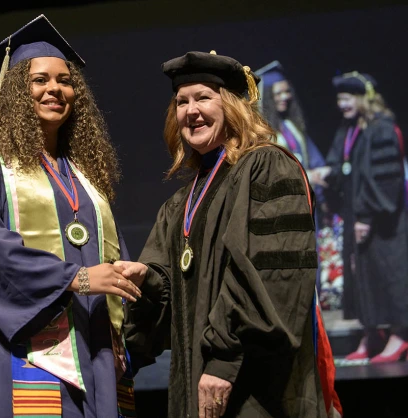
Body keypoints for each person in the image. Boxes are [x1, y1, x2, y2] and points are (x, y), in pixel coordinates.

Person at [119, 51, 341, 417]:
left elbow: (273, 277)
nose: (190, 110)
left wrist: (225, 360)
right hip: (199, 387)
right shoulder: (180, 203)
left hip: (256, 386)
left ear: (234, 106)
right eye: (181, 102)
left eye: (203, 97)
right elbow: (174, 289)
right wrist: (148, 282)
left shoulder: (266, 167)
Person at [0, 14, 141, 418]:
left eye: (65, 80)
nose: (55, 88)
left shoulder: (82, 173)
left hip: (91, 351)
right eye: (40, 80)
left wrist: (124, 275)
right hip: (16, 354)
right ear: (15, 91)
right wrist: (77, 278)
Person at [322, 71, 408, 363]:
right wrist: (323, 175)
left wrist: (367, 217)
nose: (341, 104)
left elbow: (387, 178)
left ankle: (399, 335)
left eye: (347, 98)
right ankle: (372, 334)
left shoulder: (382, 128)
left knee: (389, 276)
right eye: (339, 99)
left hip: (384, 221)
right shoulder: (350, 129)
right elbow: (338, 164)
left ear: (364, 98)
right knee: (362, 278)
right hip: (356, 216)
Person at [255, 60, 329, 188]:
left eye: (287, 92)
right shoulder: (260, 132)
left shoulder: (291, 125)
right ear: (267, 97)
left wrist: (321, 171)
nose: (285, 97)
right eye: (278, 93)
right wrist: (305, 176)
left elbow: (314, 158)